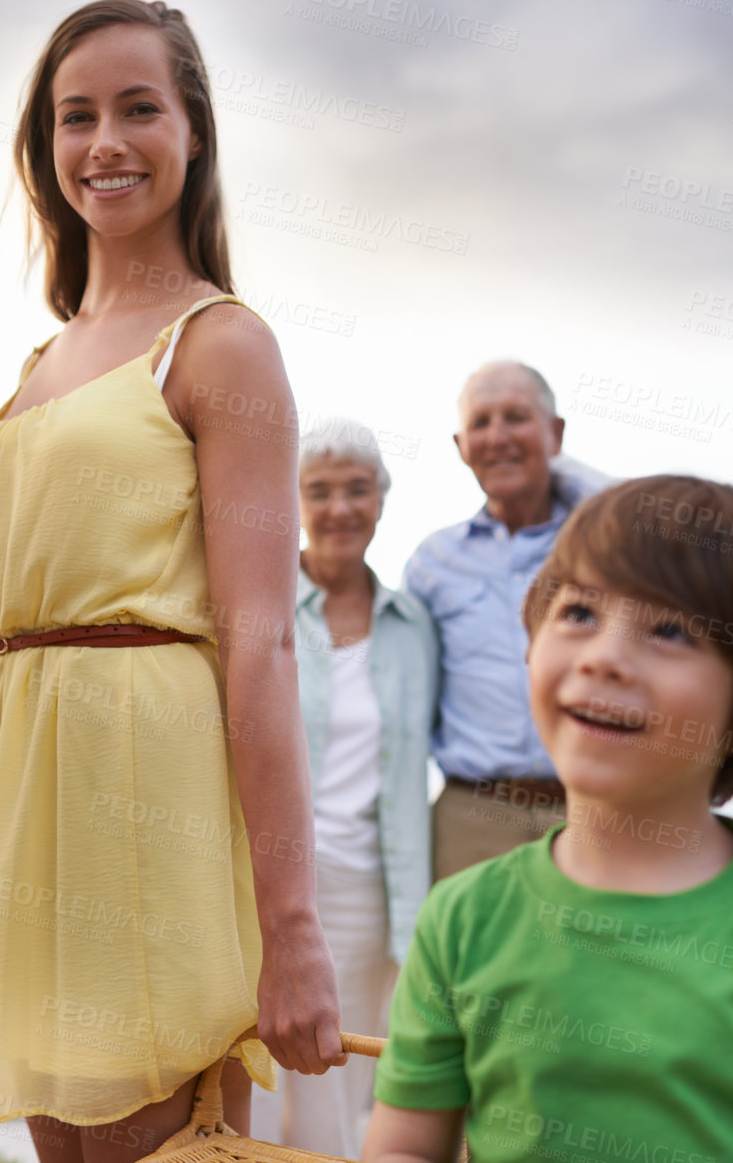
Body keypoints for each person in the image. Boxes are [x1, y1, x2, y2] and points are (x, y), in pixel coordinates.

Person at [0, 0, 343, 1162]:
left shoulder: (220, 343)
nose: (104, 144)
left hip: (144, 810)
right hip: (19, 818)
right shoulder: (43, 357)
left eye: (139, 109)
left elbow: (261, 641)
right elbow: (11, 641)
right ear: (44, 149)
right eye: (74, 116)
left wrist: (291, 929)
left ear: (192, 131)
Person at [364, 474, 733, 1163]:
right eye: (579, 613)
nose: (603, 657)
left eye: (670, 630)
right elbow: (405, 1146)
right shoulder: (460, 917)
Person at [249, 419, 439, 1158]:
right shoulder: (261, 604)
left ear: (381, 501)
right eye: (318, 491)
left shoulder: (412, 625)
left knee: (341, 1065)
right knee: (263, 1064)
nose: (338, 508)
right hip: (274, 871)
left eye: (356, 490)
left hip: (373, 884)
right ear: (294, 501)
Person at [404, 360, 601, 882]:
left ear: (555, 434)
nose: (497, 437)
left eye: (516, 417)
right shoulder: (432, 563)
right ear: (460, 445)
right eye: (480, 423)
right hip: (470, 819)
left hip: (593, 813)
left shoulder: (609, 548)